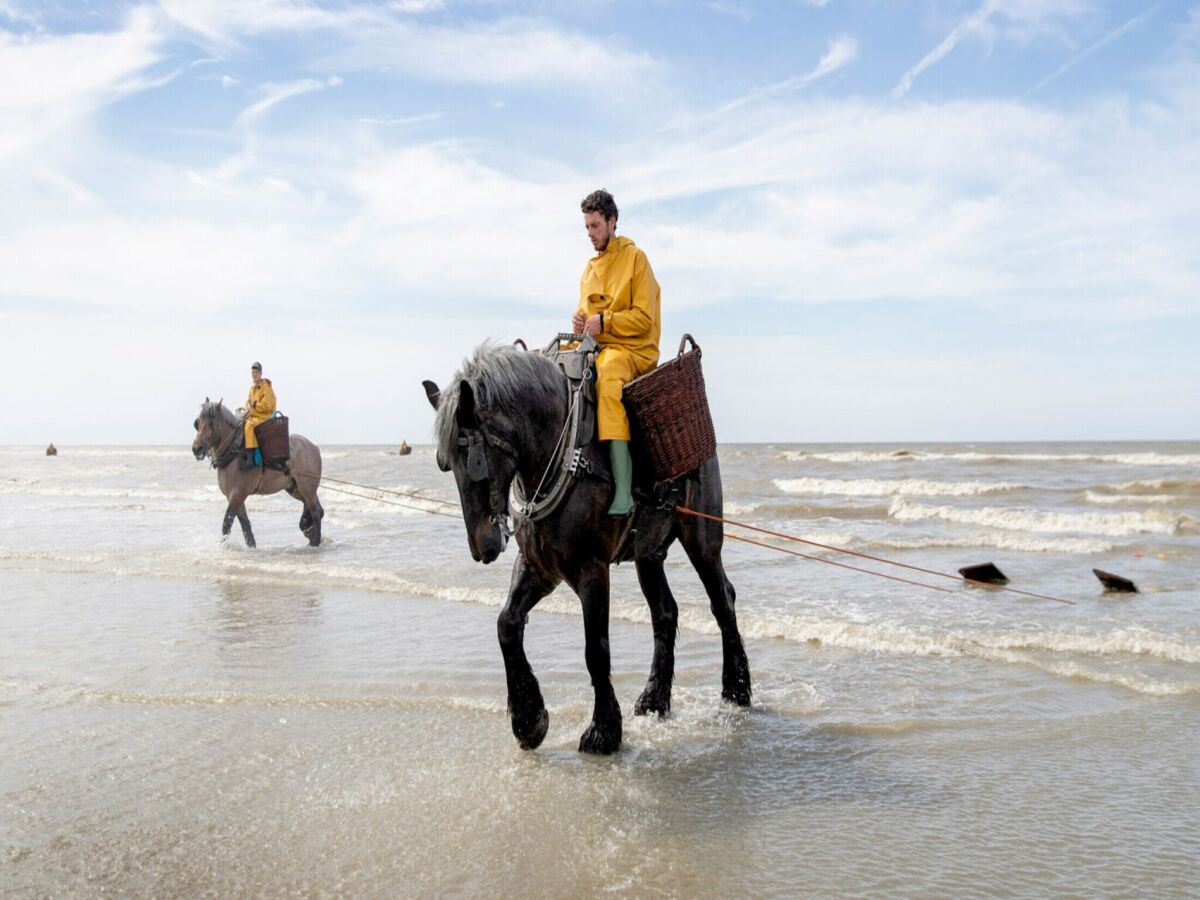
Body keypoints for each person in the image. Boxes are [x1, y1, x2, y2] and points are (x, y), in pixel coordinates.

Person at [572, 189, 661, 516]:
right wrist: (580, 322)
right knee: (557, 365)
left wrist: (604, 321)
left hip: (635, 350)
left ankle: (624, 490)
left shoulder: (636, 259)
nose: (591, 234)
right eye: (587, 227)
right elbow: (586, 319)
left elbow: (644, 319)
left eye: (595, 226)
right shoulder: (589, 270)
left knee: (607, 375)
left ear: (612, 222)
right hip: (602, 347)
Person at [241, 362, 276, 470]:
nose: (254, 375)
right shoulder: (252, 389)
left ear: (261, 373)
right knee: (240, 424)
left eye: (256, 372)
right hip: (254, 415)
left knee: (249, 426)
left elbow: (267, 406)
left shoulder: (266, 387)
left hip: (265, 417)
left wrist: (255, 405)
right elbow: (248, 402)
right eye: (253, 373)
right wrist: (247, 408)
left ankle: (251, 458)